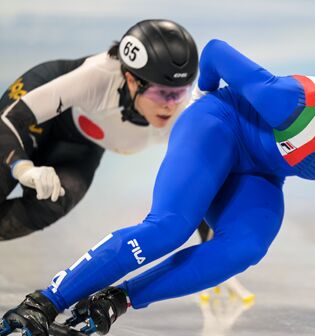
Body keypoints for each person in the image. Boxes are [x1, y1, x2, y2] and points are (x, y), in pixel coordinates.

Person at [0, 39, 315, 336]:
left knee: (247, 248)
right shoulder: (290, 102)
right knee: (170, 228)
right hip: (216, 127)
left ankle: (117, 300)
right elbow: (215, 52)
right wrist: (204, 96)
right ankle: (44, 302)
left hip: (259, 173)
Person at [0, 19, 200, 240]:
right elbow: (9, 121)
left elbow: (203, 181)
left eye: (180, 93)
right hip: (38, 113)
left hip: (81, 146)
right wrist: (22, 168)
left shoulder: (184, 116)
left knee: (53, 203)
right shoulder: (98, 77)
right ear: (131, 80)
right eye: (161, 93)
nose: (170, 105)